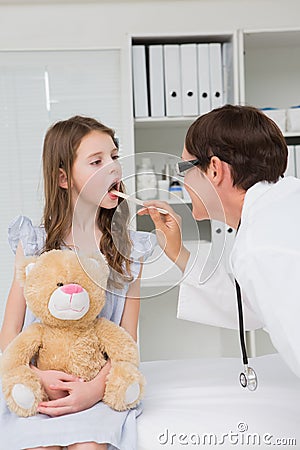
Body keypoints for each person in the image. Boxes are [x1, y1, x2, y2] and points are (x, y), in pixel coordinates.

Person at [0, 116, 155, 450]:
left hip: (97, 387)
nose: (113, 169)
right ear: (63, 178)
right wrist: (38, 377)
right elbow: (10, 334)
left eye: (114, 157)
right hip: (39, 387)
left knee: (89, 446)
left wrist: (95, 389)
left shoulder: (131, 250)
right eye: (97, 162)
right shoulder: (34, 242)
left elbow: (126, 340)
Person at [139, 104, 300, 379]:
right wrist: (179, 253)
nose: (184, 181)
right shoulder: (281, 206)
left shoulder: (263, 245)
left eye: (185, 168)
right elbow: (251, 306)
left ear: (214, 169)